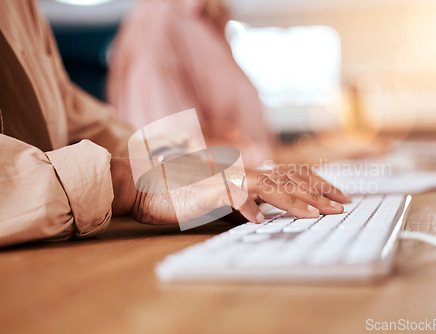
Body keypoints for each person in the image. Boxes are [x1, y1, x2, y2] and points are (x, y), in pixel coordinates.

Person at [0, 0, 350, 248]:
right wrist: (136, 183)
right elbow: (160, 133)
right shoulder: (159, 27)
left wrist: (203, 172)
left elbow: (75, 117)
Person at [107, 0, 272, 168]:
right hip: (225, 190)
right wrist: (262, 160)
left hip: (244, 186)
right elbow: (170, 160)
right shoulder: (159, 26)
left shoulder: (204, 20)